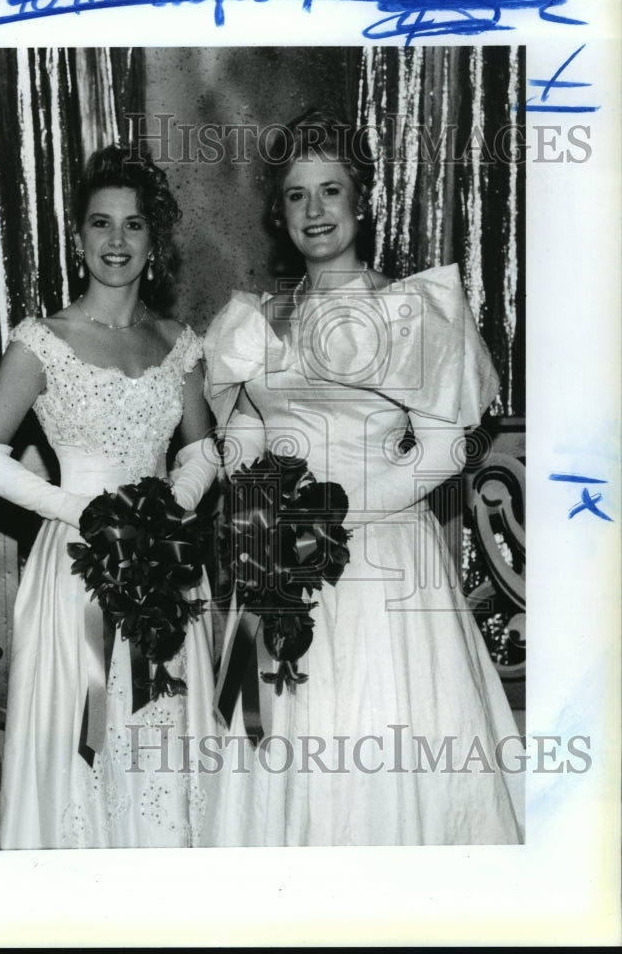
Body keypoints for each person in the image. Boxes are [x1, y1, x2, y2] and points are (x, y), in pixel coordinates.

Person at [203, 110, 525, 845]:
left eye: (330, 190)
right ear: (278, 213)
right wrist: (241, 499)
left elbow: (447, 446)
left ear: (362, 202)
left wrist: (328, 521)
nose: (314, 211)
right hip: (279, 568)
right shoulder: (258, 319)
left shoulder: (406, 310)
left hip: (381, 566)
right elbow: (249, 430)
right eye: (296, 195)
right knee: (283, 753)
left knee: (376, 749)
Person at [0, 145, 219, 848]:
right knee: (87, 731)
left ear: (153, 241)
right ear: (79, 239)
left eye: (133, 225)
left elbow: (201, 448)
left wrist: (174, 504)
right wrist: (82, 512)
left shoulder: (179, 343)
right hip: (77, 570)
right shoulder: (43, 341)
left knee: (160, 733)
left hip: (165, 570)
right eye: (101, 224)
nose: (116, 241)